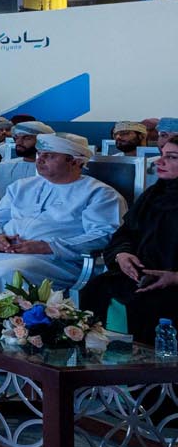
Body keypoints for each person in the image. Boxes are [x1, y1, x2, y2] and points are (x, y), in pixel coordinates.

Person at [0, 133, 125, 321]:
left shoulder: (100, 194)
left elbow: (104, 235)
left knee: (4, 273)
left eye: (50, 156)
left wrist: (47, 246)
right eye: (40, 154)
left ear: (75, 161)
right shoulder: (22, 186)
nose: (40, 160)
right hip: (2, 251)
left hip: (56, 260)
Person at [79, 142, 178, 343]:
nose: (160, 161)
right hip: (140, 276)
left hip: (172, 283)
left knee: (153, 304)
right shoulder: (154, 195)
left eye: (172, 157)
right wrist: (122, 255)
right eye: (162, 155)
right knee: (98, 289)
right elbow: (124, 235)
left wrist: (174, 278)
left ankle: (149, 371)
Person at [0, 121, 53, 202]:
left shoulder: (54, 169)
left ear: (44, 142)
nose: (18, 142)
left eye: (26, 138)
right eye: (16, 138)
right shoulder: (2, 167)